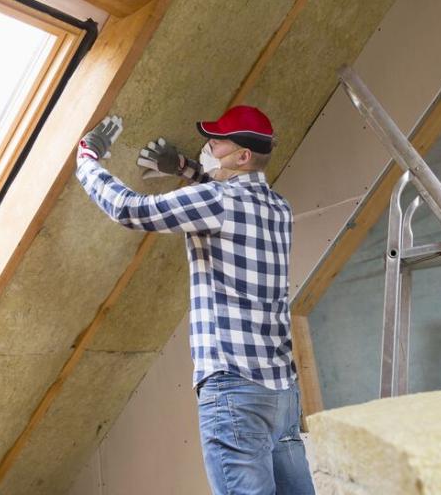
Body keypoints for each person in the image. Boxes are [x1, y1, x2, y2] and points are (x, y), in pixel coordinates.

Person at [75, 105, 315, 495]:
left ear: (242, 157)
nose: (209, 145)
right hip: (281, 395)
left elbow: (129, 210)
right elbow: (233, 194)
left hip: (234, 391)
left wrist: (87, 160)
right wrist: (185, 167)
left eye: (218, 142)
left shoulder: (216, 201)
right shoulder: (279, 208)